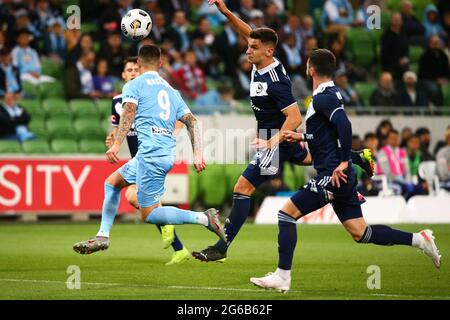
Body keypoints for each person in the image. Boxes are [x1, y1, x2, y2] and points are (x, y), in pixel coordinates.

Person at [192, 0, 375, 263]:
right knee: (310, 158)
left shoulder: (275, 82)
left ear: (268, 52)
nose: (247, 50)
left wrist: (273, 141)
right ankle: (357, 157)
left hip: (273, 139)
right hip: (278, 139)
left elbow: (295, 117)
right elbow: (250, 34)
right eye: (248, 46)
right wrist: (227, 12)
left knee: (242, 188)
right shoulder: (262, 59)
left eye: (253, 48)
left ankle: (221, 248)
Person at [250, 49, 441, 293]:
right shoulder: (326, 95)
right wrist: (301, 135)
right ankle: (419, 239)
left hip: (333, 174)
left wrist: (341, 161)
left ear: (311, 70)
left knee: (286, 215)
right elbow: (325, 135)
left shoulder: (322, 98)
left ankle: (282, 277)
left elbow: (344, 124)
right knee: (361, 233)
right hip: (341, 173)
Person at [87, 45, 227, 253]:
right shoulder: (171, 90)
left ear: (139, 64)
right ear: (161, 64)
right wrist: (198, 153)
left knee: (149, 214)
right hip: (160, 153)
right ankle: (102, 235)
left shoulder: (134, 85)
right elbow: (191, 121)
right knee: (112, 183)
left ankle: (203, 218)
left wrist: (117, 143)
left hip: (151, 156)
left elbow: (129, 111)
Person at [73, 56, 190, 265]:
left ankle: (167, 225)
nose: (134, 72)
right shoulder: (119, 101)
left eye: (137, 69)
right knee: (133, 197)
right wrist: (113, 139)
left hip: (153, 155)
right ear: (123, 75)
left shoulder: (150, 94)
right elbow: (118, 128)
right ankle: (177, 244)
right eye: (130, 70)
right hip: (139, 158)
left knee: (129, 194)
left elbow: (180, 119)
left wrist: (169, 136)